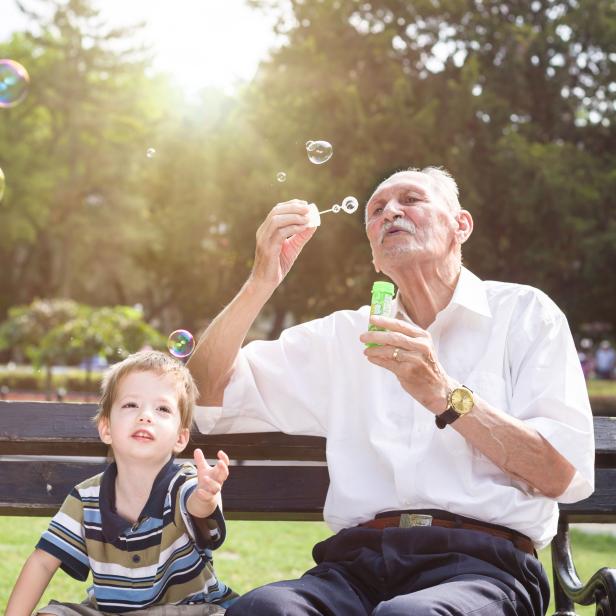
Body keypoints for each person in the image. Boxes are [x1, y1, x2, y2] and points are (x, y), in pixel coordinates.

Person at [188, 166, 595, 616]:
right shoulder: (343, 337)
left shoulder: (525, 315)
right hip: (356, 564)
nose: (390, 213)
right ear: (375, 259)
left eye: (411, 200)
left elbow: (561, 474)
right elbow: (205, 392)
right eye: (376, 210)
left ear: (461, 225)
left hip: (484, 565)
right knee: (263, 610)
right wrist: (261, 280)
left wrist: (445, 394)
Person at [6, 350, 237, 616]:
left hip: (184, 609)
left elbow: (197, 504)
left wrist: (207, 496)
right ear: (106, 428)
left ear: (180, 438)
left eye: (162, 409)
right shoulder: (86, 498)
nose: (145, 415)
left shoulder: (183, 483)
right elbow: (43, 562)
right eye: (131, 405)